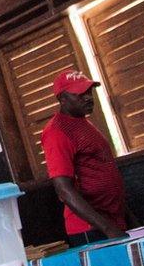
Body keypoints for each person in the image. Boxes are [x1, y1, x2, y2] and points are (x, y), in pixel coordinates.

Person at [40, 70, 138, 247]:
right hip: (92, 230)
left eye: (89, 92)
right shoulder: (57, 132)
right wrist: (108, 229)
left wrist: (129, 220)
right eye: (79, 94)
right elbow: (63, 190)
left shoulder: (84, 124)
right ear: (62, 99)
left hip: (113, 223)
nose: (88, 97)